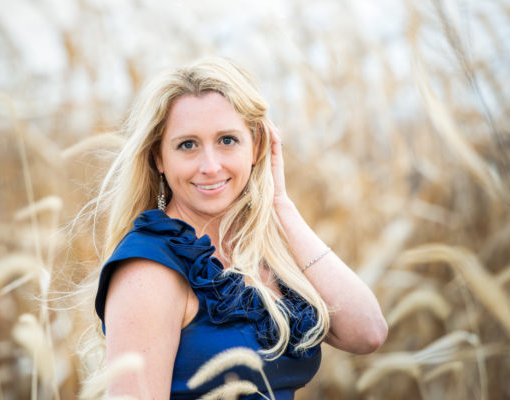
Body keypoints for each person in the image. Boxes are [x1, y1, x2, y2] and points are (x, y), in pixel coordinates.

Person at [91, 57, 387, 399]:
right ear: (159, 157)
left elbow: (368, 333)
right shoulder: (149, 268)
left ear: (257, 146)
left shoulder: (263, 249)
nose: (210, 166)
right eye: (187, 144)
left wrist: (281, 206)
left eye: (227, 140)